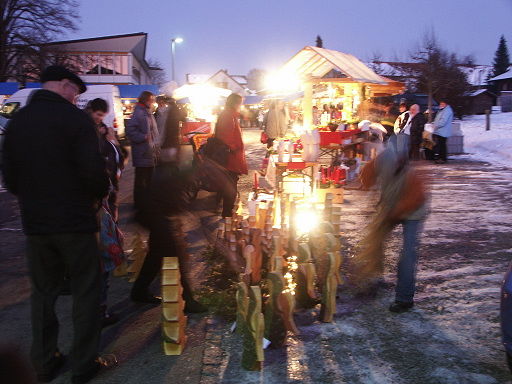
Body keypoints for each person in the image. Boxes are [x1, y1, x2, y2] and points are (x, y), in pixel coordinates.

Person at [1, 66, 112, 383]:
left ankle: (45, 360)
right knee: (86, 290)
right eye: (75, 91)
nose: (76, 98)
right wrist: (98, 195)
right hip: (75, 220)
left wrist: (34, 200)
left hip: (36, 223)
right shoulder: (74, 120)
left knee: (43, 293)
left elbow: (10, 176)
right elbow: (93, 173)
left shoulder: (18, 121)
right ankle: (84, 362)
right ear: (64, 85)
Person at [130, 149, 207, 312]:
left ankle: (139, 291)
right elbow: (176, 202)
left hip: (154, 217)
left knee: (155, 255)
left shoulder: (171, 172)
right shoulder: (174, 176)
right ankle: (188, 300)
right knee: (175, 256)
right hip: (156, 218)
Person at [359, 148, 428, 313]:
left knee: (407, 255)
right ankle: (373, 276)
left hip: (413, 212)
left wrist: (393, 214)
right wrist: (369, 186)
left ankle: (404, 299)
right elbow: (367, 174)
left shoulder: (413, 179)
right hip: (391, 206)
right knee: (374, 239)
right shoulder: (383, 160)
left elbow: (416, 199)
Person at [85, 98, 126, 328]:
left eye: (103, 116)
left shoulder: (103, 138)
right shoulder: (89, 139)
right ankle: (97, 312)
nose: (101, 121)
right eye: (98, 116)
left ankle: (97, 309)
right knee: (100, 262)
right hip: (95, 208)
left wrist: (113, 141)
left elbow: (118, 160)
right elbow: (98, 172)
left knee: (101, 261)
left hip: (103, 202)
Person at [214, 93, 248, 217]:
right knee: (230, 186)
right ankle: (227, 214)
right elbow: (224, 136)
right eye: (240, 103)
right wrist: (235, 148)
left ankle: (222, 209)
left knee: (227, 183)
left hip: (230, 156)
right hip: (229, 158)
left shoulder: (230, 115)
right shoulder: (228, 115)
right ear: (235, 103)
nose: (241, 105)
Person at [126, 91, 159, 212]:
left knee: (147, 179)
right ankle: (139, 204)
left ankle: (145, 202)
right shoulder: (139, 112)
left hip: (148, 152)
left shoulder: (146, 112)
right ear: (146, 100)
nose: (153, 102)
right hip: (142, 152)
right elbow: (130, 130)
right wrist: (143, 137)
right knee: (141, 180)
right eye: (152, 100)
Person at [432, 99, 454, 164]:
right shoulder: (442, 110)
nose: (441, 105)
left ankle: (443, 158)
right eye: (440, 104)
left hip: (443, 131)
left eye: (442, 104)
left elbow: (443, 121)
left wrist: (436, 125)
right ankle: (441, 157)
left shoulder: (447, 110)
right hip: (440, 131)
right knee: (440, 145)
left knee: (442, 145)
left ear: (446, 104)